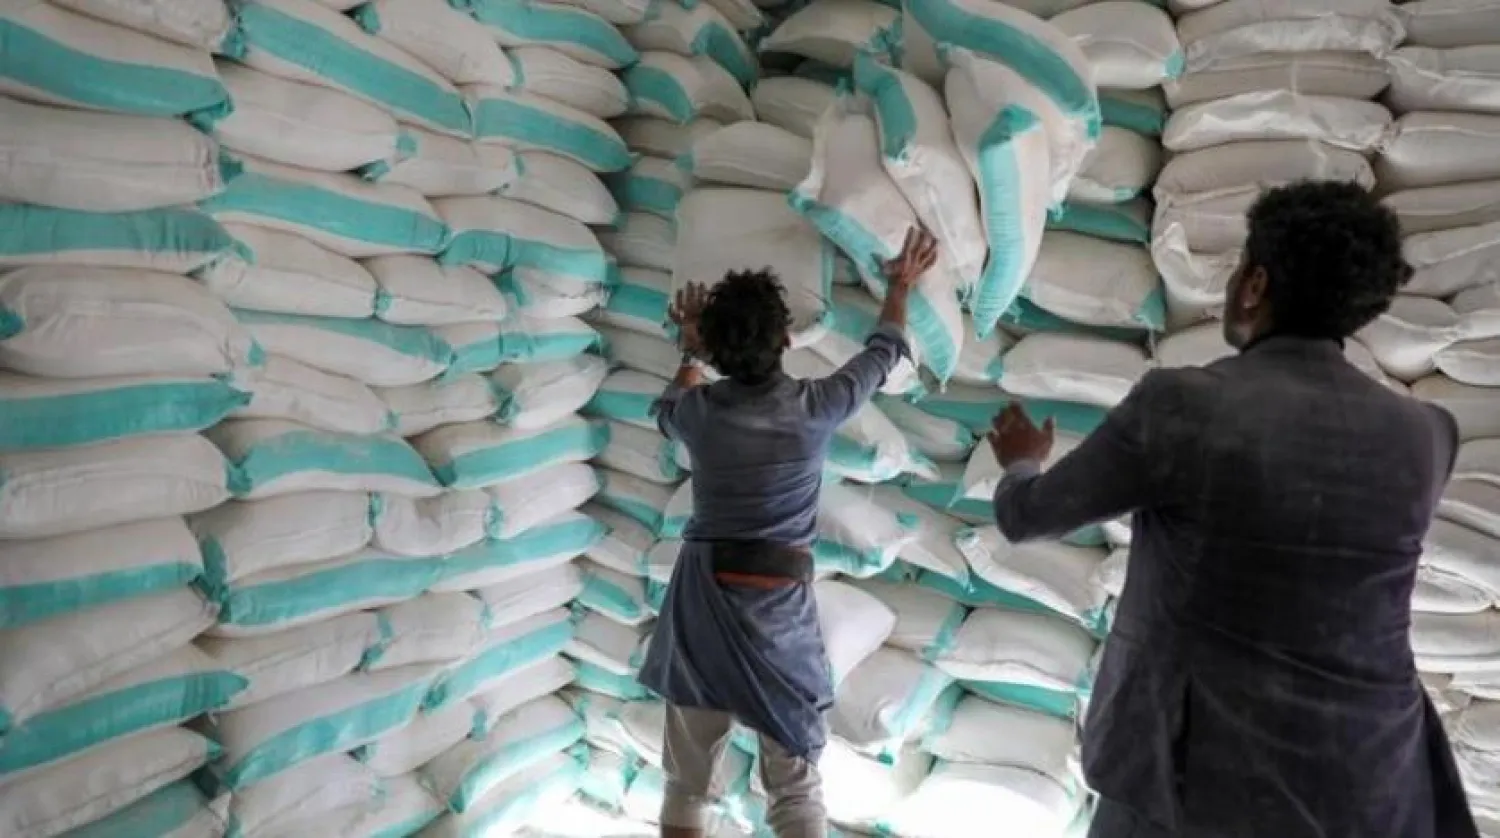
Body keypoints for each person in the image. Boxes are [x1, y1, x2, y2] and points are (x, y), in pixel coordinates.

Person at [988, 180, 1477, 838]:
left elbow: (1028, 516)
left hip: (1193, 781)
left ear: (1254, 284)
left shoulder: (1185, 406)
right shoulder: (1427, 434)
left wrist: (1021, 461)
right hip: (1367, 774)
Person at [638, 228, 939, 838]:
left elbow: (670, 407)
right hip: (778, 609)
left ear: (719, 352)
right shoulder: (816, 406)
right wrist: (900, 285)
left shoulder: (699, 416)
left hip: (700, 606)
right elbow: (883, 353)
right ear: (784, 339)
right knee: (794, 783)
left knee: (687, 780)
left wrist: (690, 348)